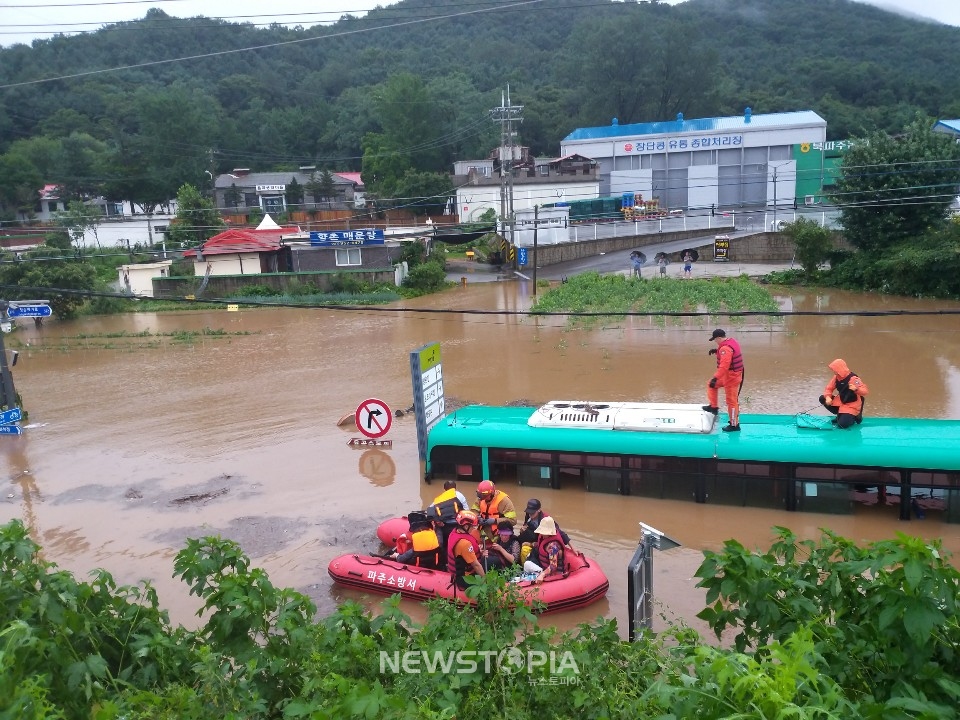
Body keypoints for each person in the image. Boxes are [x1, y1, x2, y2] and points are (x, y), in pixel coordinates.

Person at [703, 328, 745, 432]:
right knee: (711, 385)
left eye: (715, 340)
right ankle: (713, 407)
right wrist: (717, 351)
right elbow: (729, 353)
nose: (715, 342)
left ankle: (734, 425)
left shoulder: (725, 349)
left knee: (731, 401)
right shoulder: (731, 341)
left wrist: (715, 377)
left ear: (719, 338)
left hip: (731, 378)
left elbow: (724, 366)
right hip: (729, 376)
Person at [819, 358, 868, 429]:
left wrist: (856, 389)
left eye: (835, 369)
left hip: (851, 405)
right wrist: (828, 397)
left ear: (840, 369)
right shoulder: (836, 377)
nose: (833, 371)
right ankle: (840, 414)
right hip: (841, 401)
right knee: (822, 398)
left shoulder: (853, 379)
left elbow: (865, 391)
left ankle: (855, 416)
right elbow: (828, 388)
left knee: (842, 425)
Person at [447, 510, 485, 589]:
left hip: (459, 571)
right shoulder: (465, 543)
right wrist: (485, 581)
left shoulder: (454, 533)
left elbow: (463, 554)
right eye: (472, 526)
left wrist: (479, 552)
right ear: (466, 527)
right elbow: (476, 565)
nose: (474, 529)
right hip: (465, 577)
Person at [522, 516, 566, 585]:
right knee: (527, 562)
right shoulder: (544, 537)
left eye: (543, 532)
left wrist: (542, 574)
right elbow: (540, 545)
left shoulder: (553, 546)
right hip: (543, 566)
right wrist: (530, 544)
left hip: (553, 573)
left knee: (528, 564)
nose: (541, 534)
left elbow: (553, 566)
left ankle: (529, 580)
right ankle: (527, 578)